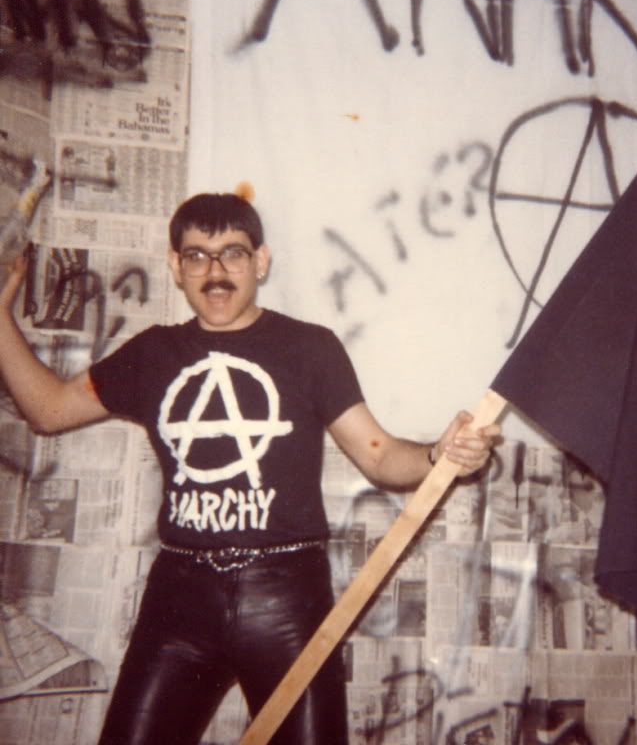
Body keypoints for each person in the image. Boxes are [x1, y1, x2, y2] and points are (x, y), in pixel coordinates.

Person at [0, 192, 501, 745]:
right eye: (197, 256)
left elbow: (380, 456)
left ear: (260, 261)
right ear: (175, 266)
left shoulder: (310, 347)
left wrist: (437, 455)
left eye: (233, 254)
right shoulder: (152, 353)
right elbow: (48, 410)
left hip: (287, 600)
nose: (215, 273)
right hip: (179, 602)